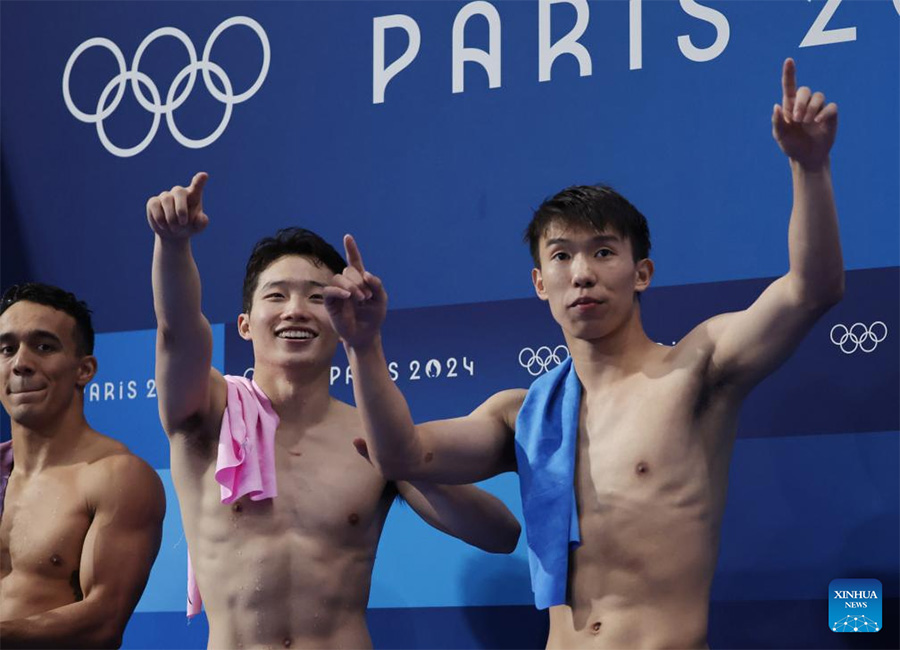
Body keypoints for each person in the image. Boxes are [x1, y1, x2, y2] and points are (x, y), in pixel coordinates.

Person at [328, 58, 843, 648]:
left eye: (603, 252)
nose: (583, 275)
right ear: (540, 283)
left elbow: (811, 289)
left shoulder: (696, 370)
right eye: (562, 256)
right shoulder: (522, 414)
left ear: (641, 272)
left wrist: (810, 167)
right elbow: (405, 457)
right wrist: (364, 346)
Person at [147, 176, 521, 649]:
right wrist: (173, 245)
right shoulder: (204, 414)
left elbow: (500, 534)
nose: (297, 311)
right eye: (277, 295)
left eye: (318, 297)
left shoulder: (376, 435)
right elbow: (177, 332)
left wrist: (405, 463)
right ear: (244, 324)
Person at [0, 283, 165, 648]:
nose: (21, 363)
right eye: (7, 349)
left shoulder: (117, 476)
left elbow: (102, 622)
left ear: (84, 369)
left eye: (44, 347)